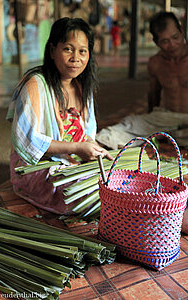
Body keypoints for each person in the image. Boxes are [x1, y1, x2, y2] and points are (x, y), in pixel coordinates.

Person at [6, 17, 113, 215]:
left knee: (116, 182)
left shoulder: (82, 86)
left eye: (82, 51)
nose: (76, 58)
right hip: (37, 168)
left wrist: (95, 151)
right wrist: (76, 148)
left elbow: (86, 134)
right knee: (91, 194)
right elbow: (28, 141)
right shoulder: (35, 85)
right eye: (68, 49)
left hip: (70, 161)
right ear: (53, 50)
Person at [95, 11, 188, 234]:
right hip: (166, 116)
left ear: (182, 32)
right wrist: (150, 126)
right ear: (156, 42)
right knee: (126, 126)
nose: (172, 44)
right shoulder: (155, 63)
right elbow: (153, 95)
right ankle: (93, 146)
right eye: (164, 40)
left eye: (175, 37)